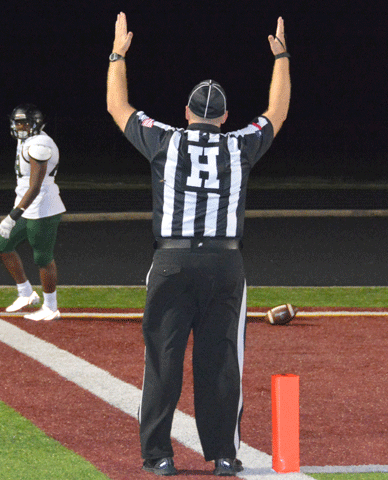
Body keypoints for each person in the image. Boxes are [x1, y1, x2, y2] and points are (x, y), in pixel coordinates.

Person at [106, 12, 290, 477]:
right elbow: (277, 111)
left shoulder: (165, 141)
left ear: (187, 113)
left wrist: (117, 55)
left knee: (163, 362)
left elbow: (117, 106)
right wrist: (282, 57)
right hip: (224, 264)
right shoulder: (238, 145)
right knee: (221, 363)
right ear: (225, 117)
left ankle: (159, 456)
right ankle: (224, 456)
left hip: (172, 259)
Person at [0, 104, 66, 321]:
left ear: (37, 124)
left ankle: (51, 307)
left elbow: (35, 186)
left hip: (43, 207)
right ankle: (26, 293)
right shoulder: (24, 141)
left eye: (25, 122)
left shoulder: (40, 144)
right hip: (28, 206)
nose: (20, 126)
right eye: (17, 122)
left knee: (42, 257)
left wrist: (13, 215)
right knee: (3, 245)